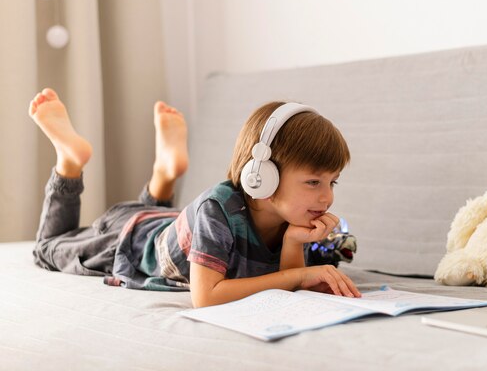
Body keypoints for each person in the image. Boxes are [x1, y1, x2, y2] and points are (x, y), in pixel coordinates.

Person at [29, 88, 361, 307]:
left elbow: (287, 288)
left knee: (162, 220)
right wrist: (300, 275)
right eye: (314, 181)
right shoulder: (218, 209)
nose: (327, 197)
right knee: (47, 249)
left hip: (174, 227)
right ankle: (69, 161)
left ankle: (165, 173)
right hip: (129, 237)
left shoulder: (292, 218)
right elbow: (206, 296)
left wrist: (292, 245)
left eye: (334, 182)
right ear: (261, 176)